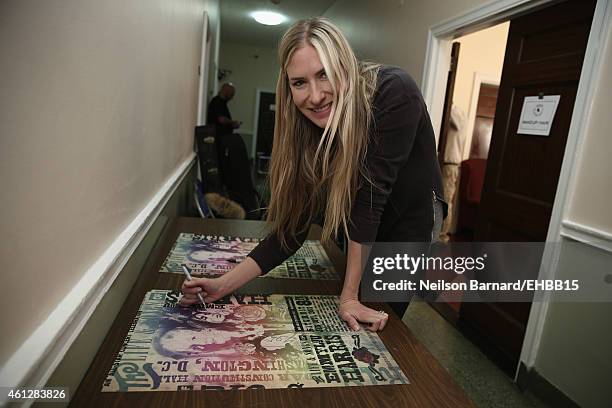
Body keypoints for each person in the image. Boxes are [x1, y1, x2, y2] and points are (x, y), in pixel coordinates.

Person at [182, 18, 446, 332]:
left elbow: (370, 199)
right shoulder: (307, 128)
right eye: (300, 83)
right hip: (362, 216)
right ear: (288, 87)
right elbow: (291, 230)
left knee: (376, 311)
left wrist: (349, 296)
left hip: (409, 217)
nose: (316, 95)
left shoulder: (394, 91)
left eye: (324, 75)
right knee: (352, 298)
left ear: (344, 66)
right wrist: (223, 285)